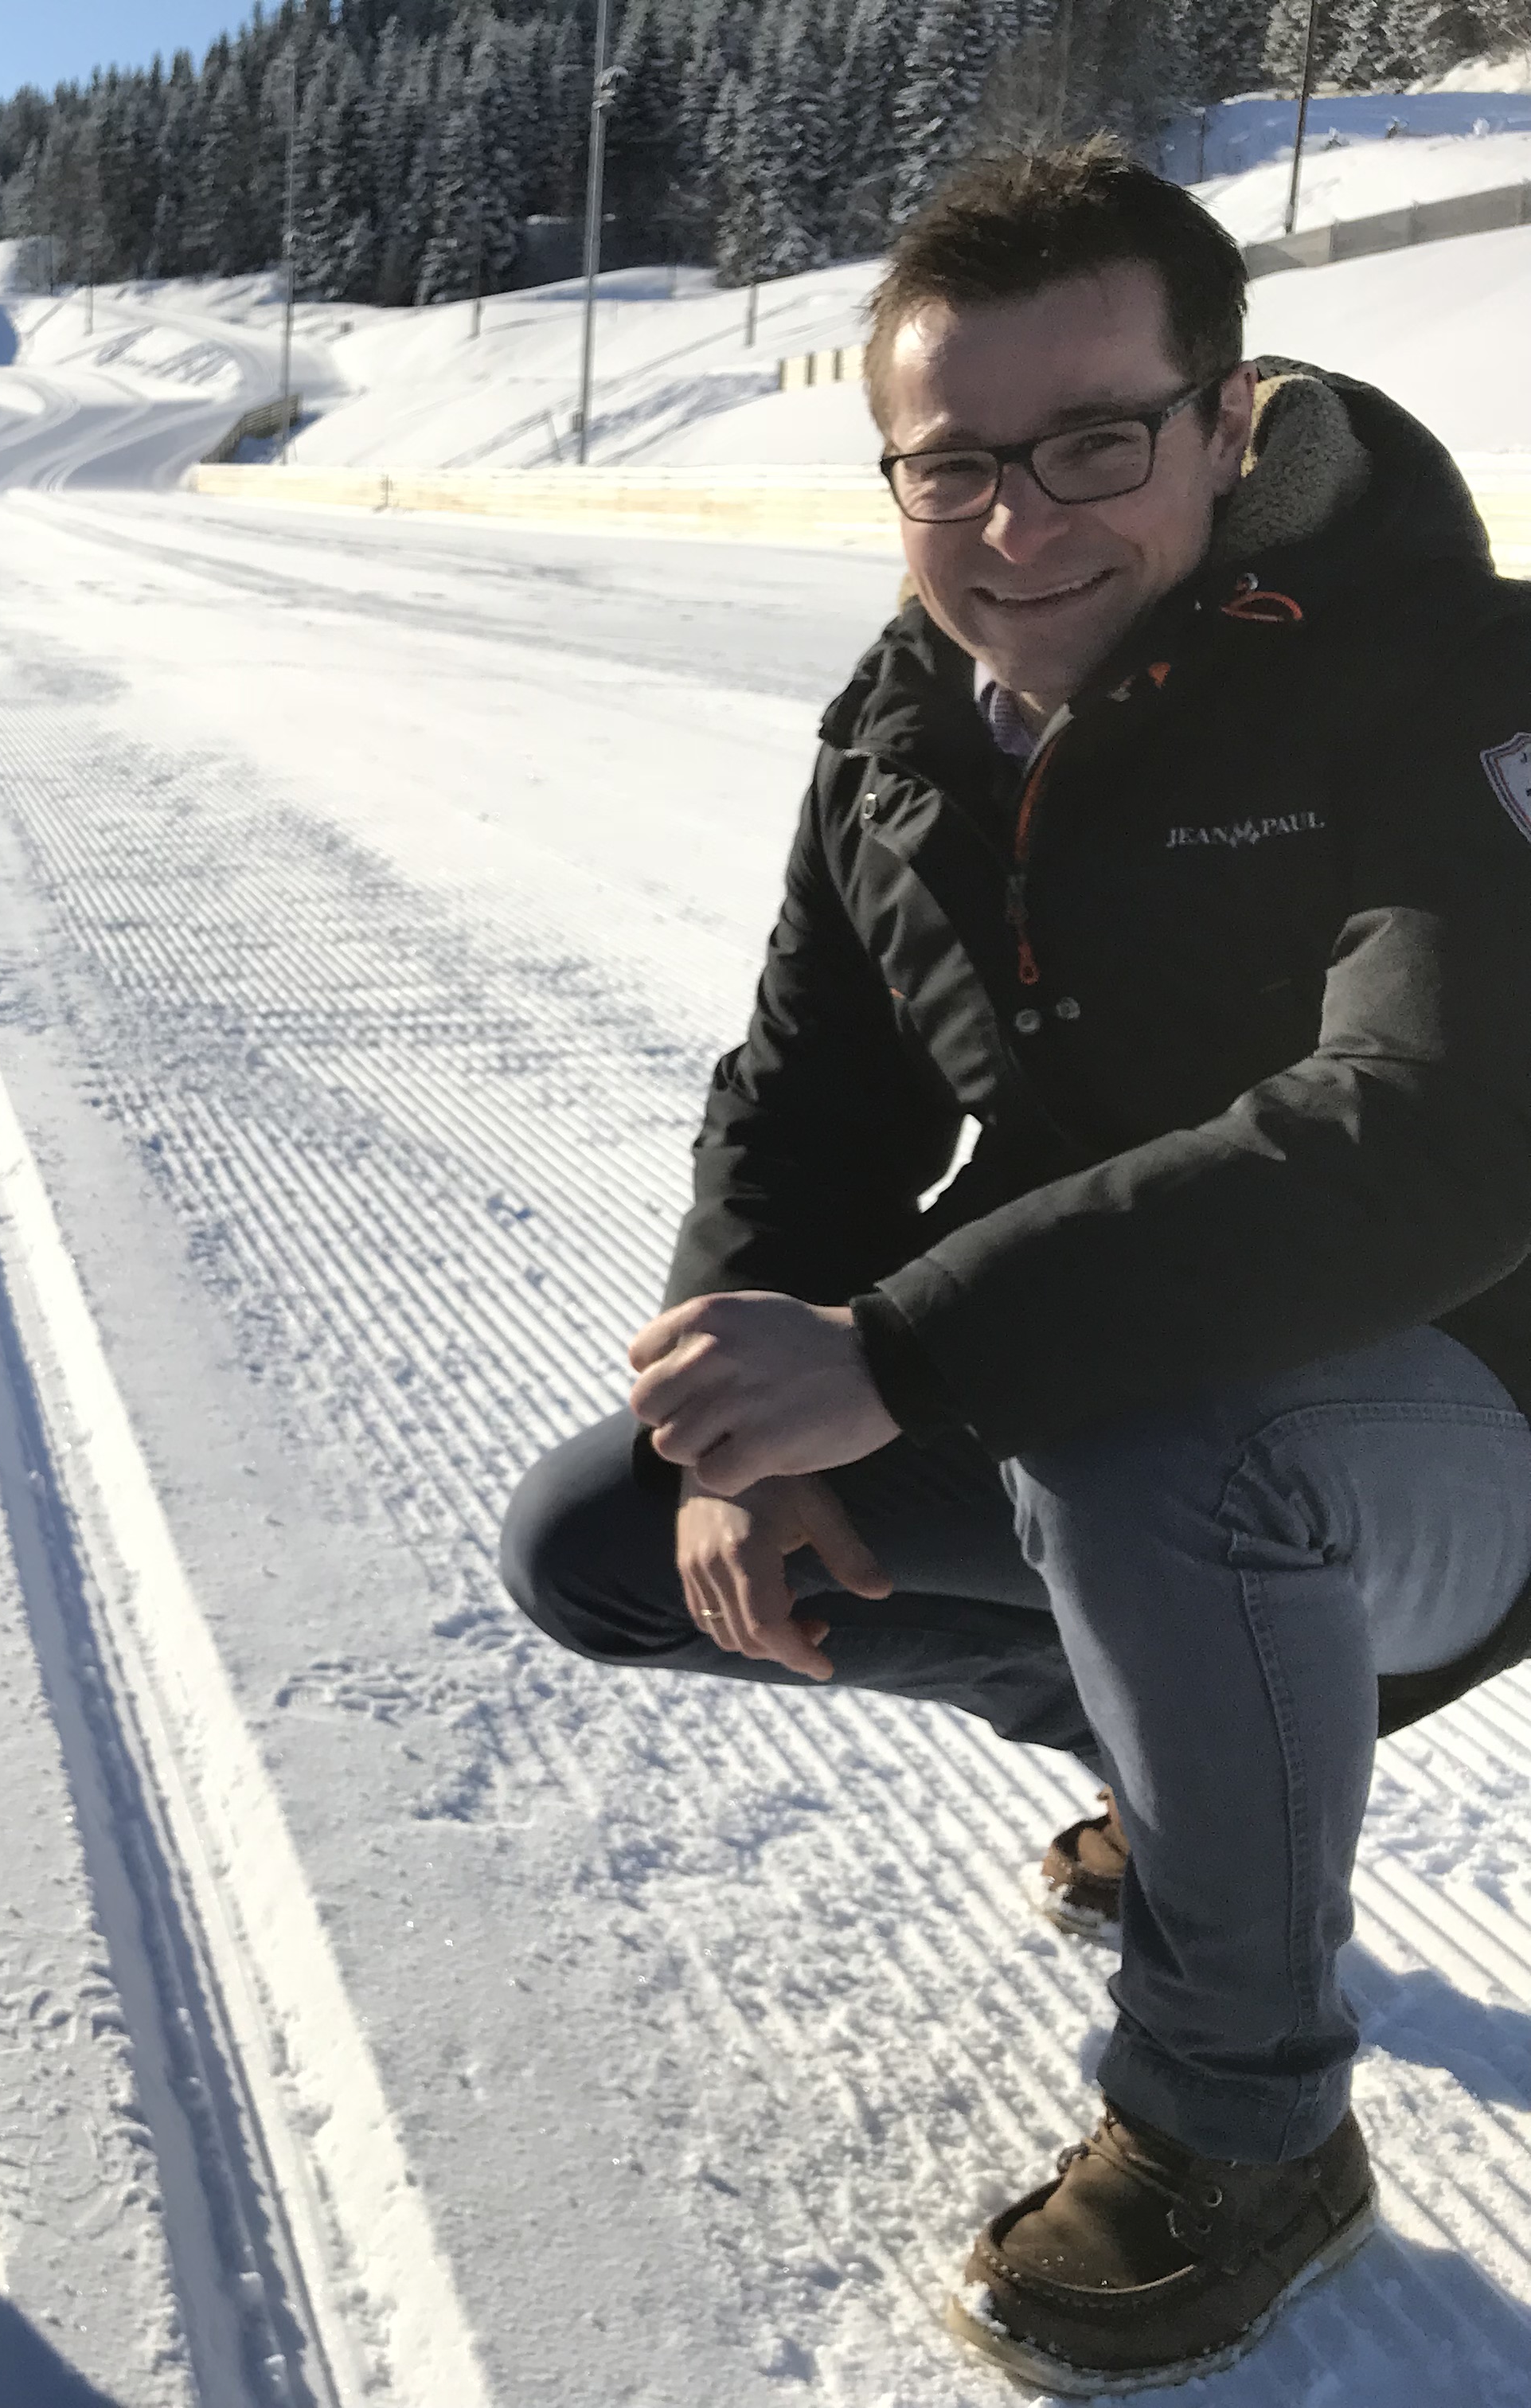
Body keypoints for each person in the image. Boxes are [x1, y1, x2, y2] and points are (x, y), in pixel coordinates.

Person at [497, 141, 1531, 2396]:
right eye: (952, 462)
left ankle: (1246, 2130)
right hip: (1150, 1438)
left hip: (1470, 1421)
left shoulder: (1446, 674)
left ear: (1229, 420)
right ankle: (1215, 1782)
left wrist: (900, 1347)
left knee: (1143, 1425)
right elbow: (804, 1104)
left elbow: (1442, 1136)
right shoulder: (905, 731)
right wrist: (733, 1429)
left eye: (1093, 442)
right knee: (602, 1548)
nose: (1017, 521)